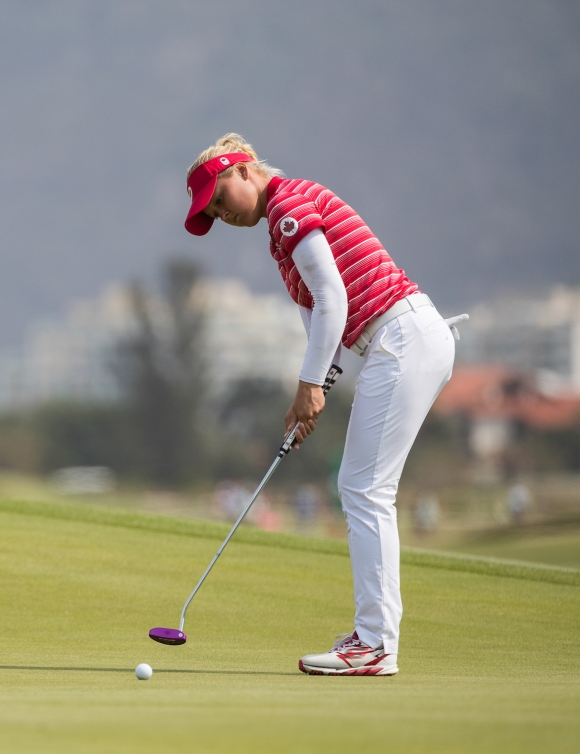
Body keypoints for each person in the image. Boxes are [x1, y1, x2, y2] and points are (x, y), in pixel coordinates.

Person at [184, 134, 457, 676]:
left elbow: (333, 298)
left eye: (219, 198)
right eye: (212, 212)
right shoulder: (281, 227)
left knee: (363, 488)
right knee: (363, 487)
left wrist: (309, 386)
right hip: (399, 339)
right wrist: (315, 389)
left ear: (241, 170)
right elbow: (320, 319)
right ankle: (374, 639)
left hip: (402, 336)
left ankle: (376, 645)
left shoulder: (287, 206)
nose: (222, 214)